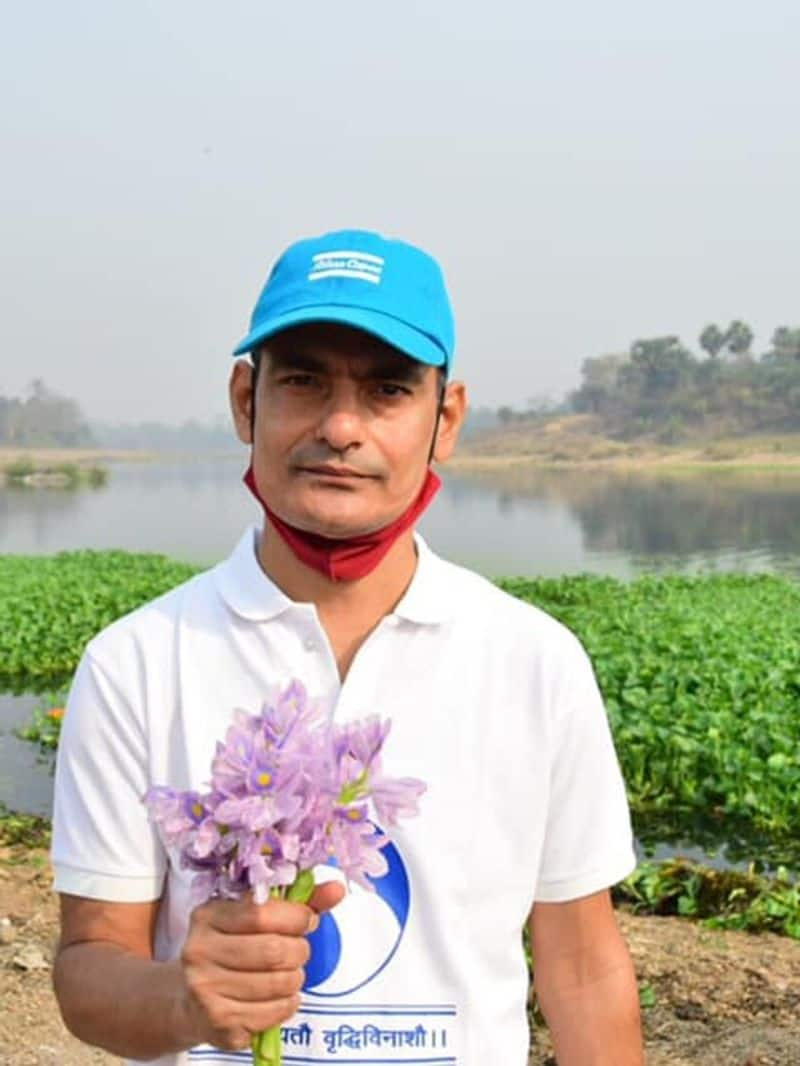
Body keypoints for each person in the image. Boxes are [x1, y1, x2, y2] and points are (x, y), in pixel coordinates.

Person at [51, 229, 644, 1065]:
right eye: (301, 381)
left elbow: (582, 968)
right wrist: (183, 1000)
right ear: (243, 401)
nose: (339, 426)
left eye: (387, 390)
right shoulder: (137, 662)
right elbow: (90, 968)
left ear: (447, 420)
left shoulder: (533, 661)